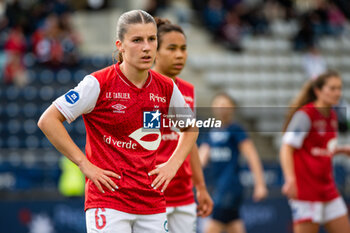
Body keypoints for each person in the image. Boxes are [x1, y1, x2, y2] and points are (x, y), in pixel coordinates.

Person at [38, 10, 198, 233]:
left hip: (152, 202)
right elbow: (48, 120)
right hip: (108, 200)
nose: (146, 47)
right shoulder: (97, 83)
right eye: (137, 40)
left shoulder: (166, 87)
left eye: (152, 39)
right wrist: (85, 165)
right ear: (120, 45)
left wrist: (173, 164)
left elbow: (190, 127)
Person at [153, 17, 213, 233]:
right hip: (152, 193)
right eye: (172, 48)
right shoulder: (144, 87)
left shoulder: (188, 90)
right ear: (155, 51)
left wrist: (201, 186)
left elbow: (190, 142)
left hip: (184, 193)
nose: (179, 54)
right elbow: (143, 141)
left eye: (183, 48)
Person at [280, 71, 350, 233]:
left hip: (327, 188)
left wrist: (340, 150)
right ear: (318, 91)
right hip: (306, 191)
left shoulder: (332, 115)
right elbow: (286, 147)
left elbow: (318, 148)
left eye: (339, 88)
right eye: (332, 88)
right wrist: (290, 179)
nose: (337, 93)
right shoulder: (305, 115)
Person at [199, 93, 268, 233]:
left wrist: (260, 185)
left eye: (225, 105)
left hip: (231, 187)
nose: (221, 108)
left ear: (232, 108)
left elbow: (252, 157)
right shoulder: (211, 132)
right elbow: (200, 160)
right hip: (218, 187)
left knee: (213, 226)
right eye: (218, 105)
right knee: (234, 224)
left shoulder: (236, 130)